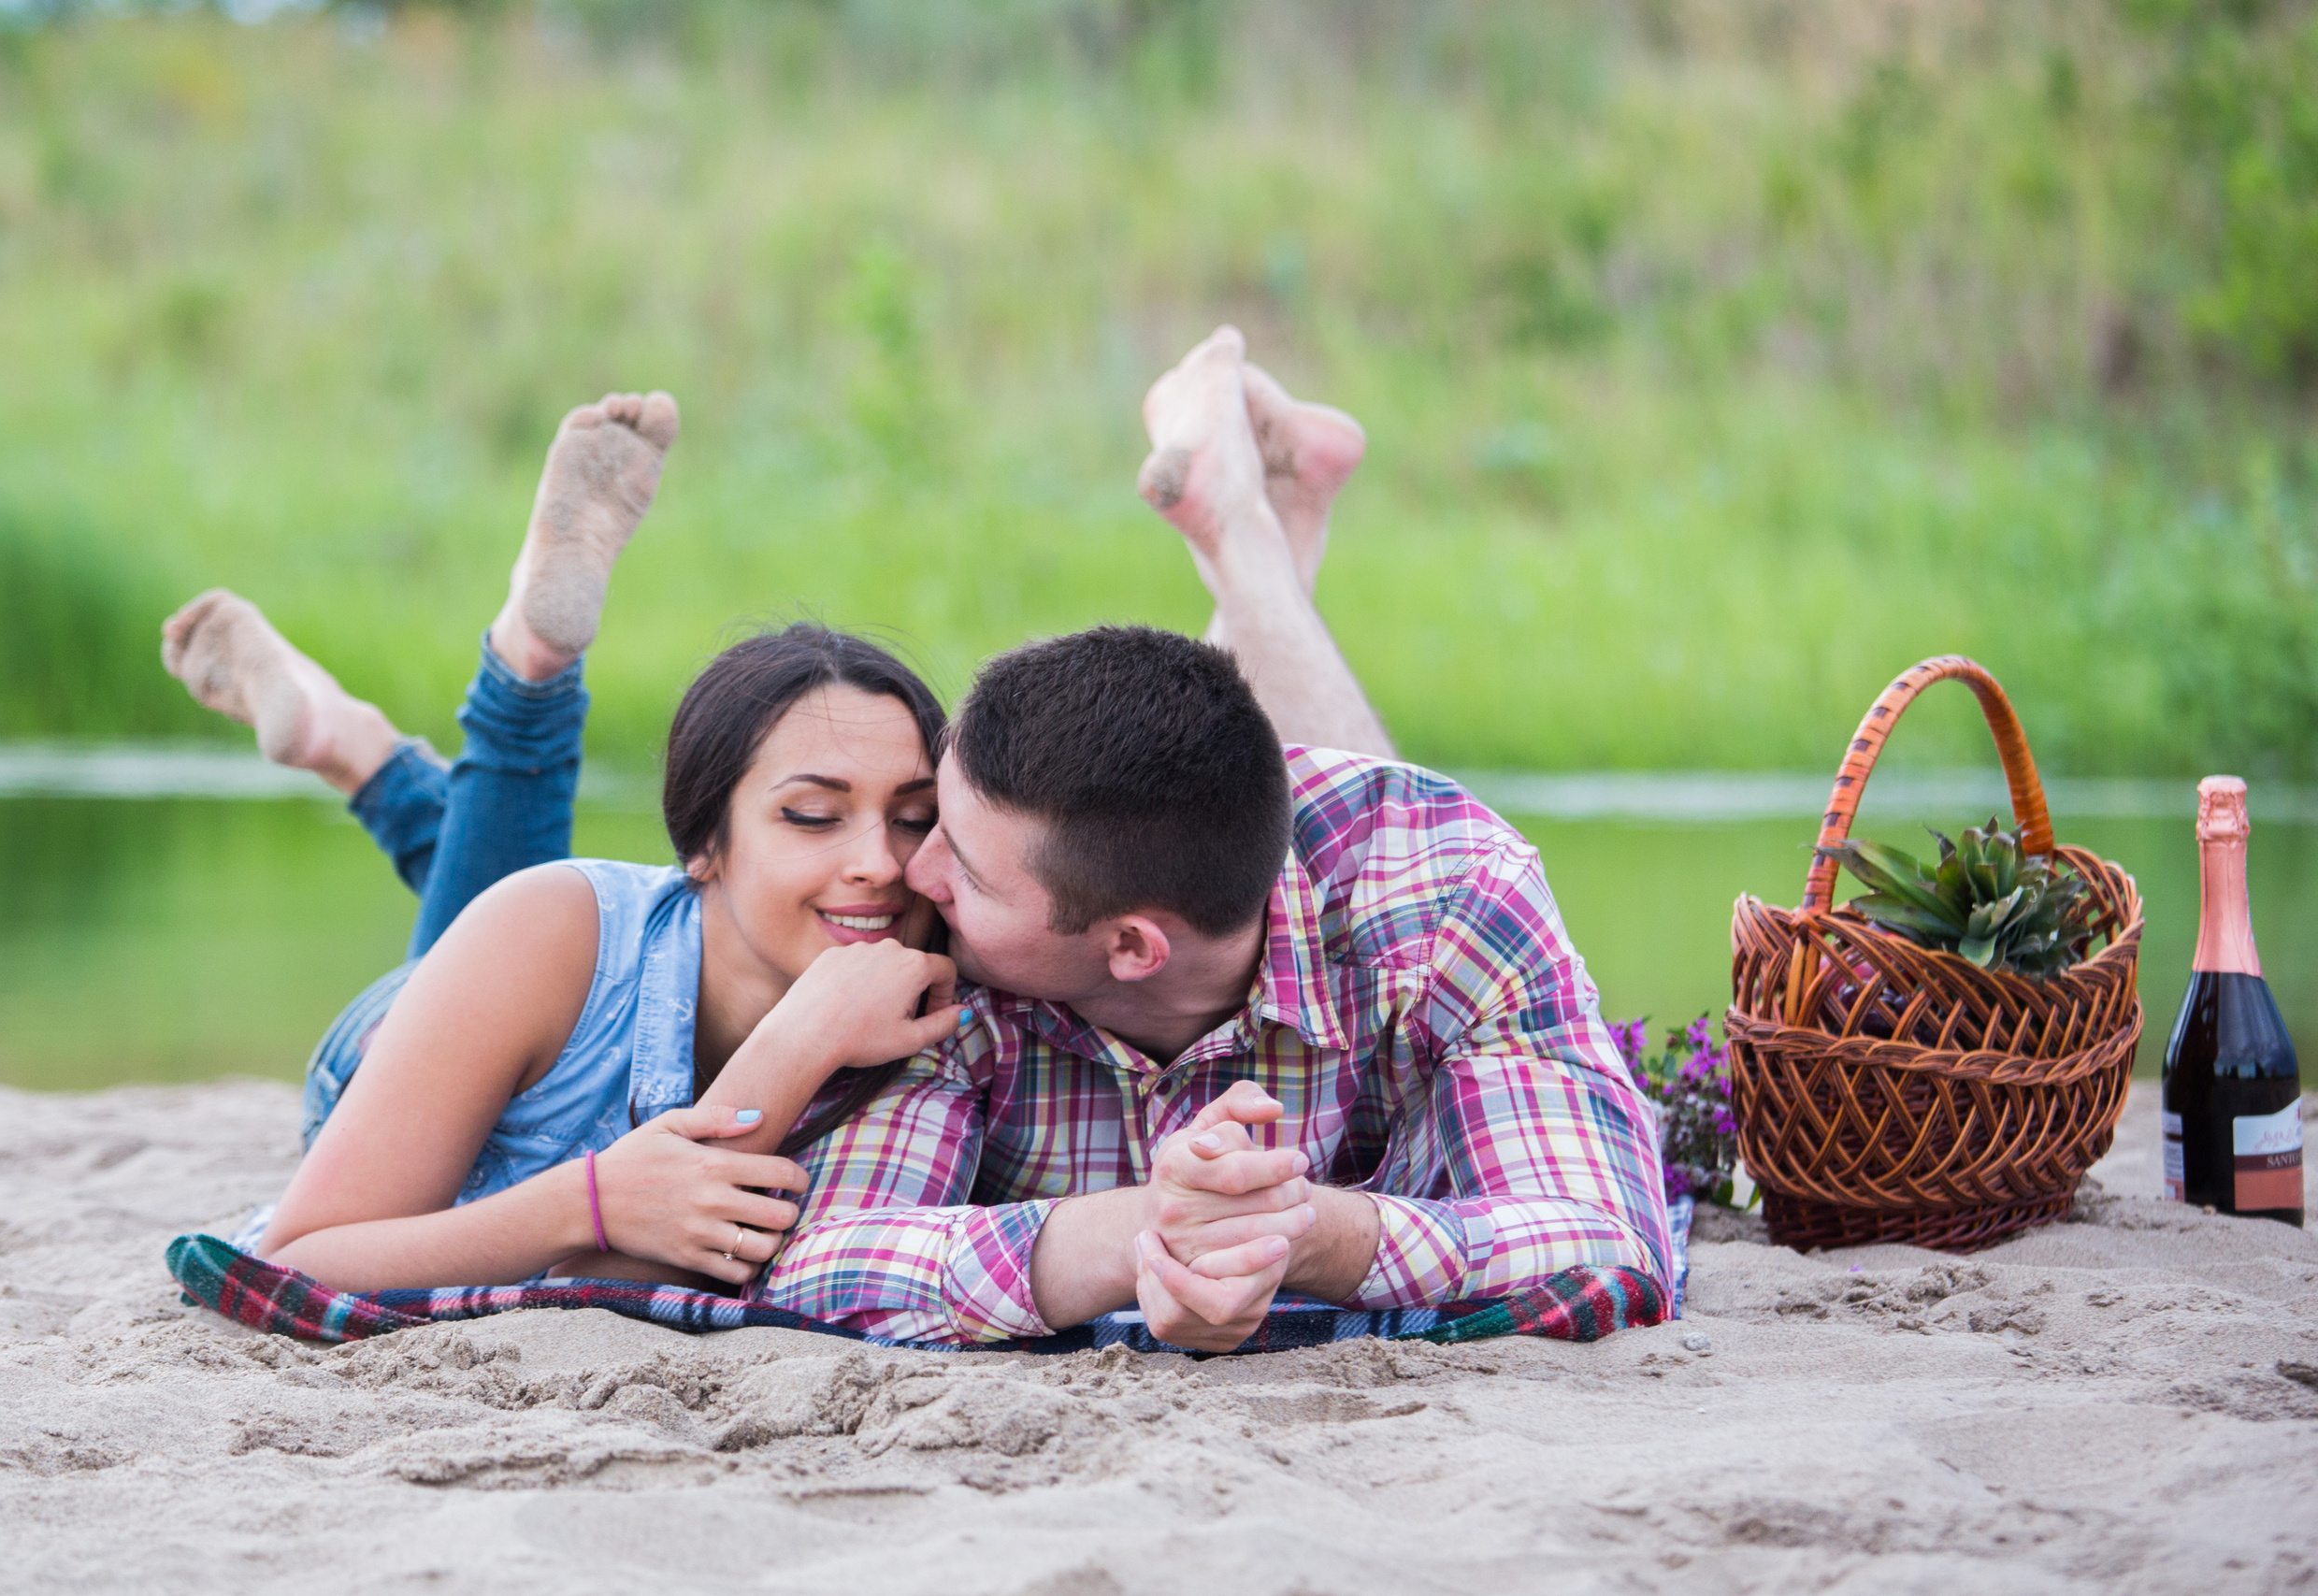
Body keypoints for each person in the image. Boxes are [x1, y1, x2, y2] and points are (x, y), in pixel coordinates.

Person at [750, 328, 1672, 1352]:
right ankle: (1254, 539)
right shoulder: (939, 942)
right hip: (1179, 878)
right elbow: (814, 1262)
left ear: (1133, 948)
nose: (905, 870)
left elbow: (1610, 1242)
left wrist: (1310, 1235)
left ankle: (1254, 534)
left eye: (958, 861)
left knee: (1246, 840)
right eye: (938, 821)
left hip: (1312, 884)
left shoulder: (1451, 886)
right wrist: (1143, 1232)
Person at [162, 393, 965, 1292]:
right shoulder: (552, 931)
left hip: (540, 965)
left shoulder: (946, 943)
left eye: (913, 815)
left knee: (492, 902)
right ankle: (514, 674)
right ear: (701, 843)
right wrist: (591, 1200)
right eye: (813, 815)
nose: (882, 863)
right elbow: (290, 1261)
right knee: (508, 915)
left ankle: (356, 744)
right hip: (412, 1037)